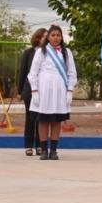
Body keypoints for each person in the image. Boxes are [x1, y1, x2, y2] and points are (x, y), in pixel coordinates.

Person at [28, 24, 77, 161]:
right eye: (53, 35)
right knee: (43, 121)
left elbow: (72, 73)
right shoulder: (41, 52)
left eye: (58, 35)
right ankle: (44, 150)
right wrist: (35, 91)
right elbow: (33, 73)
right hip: (43, 90)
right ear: (48, 37)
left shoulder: (67, 53)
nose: (55, 38)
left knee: (56, 121)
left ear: (62, 37)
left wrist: (70, 91)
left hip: (60, 90)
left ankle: (54, 150)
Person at [18, 28, 47, 156]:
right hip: (30, 91)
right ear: (38, 38)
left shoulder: (48, 53)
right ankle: (28, 146)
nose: (46, 39)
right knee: (30, 118)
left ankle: (40, 145)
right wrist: (20, 91)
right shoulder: (28, 53)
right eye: (44, 37)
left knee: (40, 119)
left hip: (44, 91)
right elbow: (23, 73)